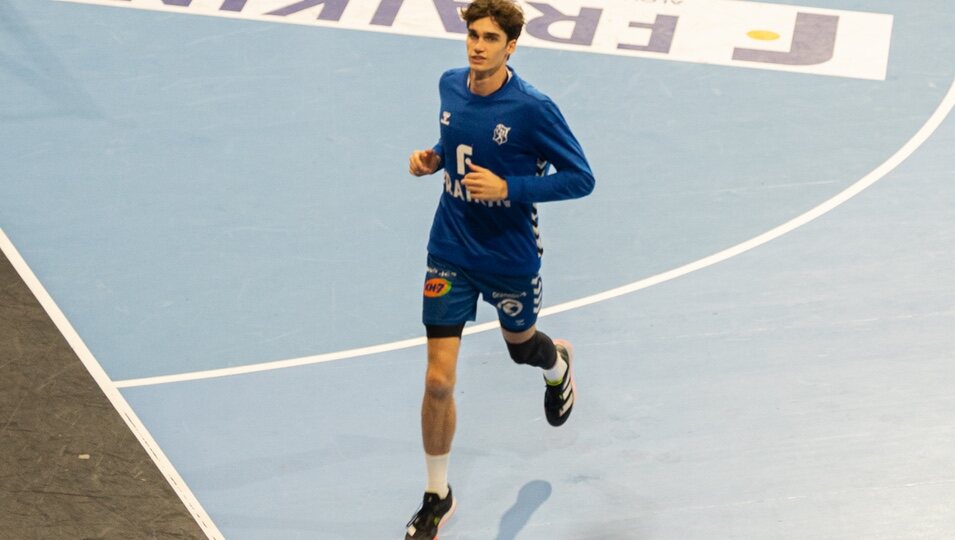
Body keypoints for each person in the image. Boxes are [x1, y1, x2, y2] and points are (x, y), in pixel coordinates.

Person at [404, 1, 595, 538]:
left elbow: (581, 178)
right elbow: (455, 141)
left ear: (511, 46)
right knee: (438, 380)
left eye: (490, 38)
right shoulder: (449, 85)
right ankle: (436, 495)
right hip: (450, 250)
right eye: (472, 35)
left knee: (521, 347)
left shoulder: (534, 108)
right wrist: (433, 159)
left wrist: (511, 188)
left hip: (510, 257)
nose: (477, 45)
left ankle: (555, 362)